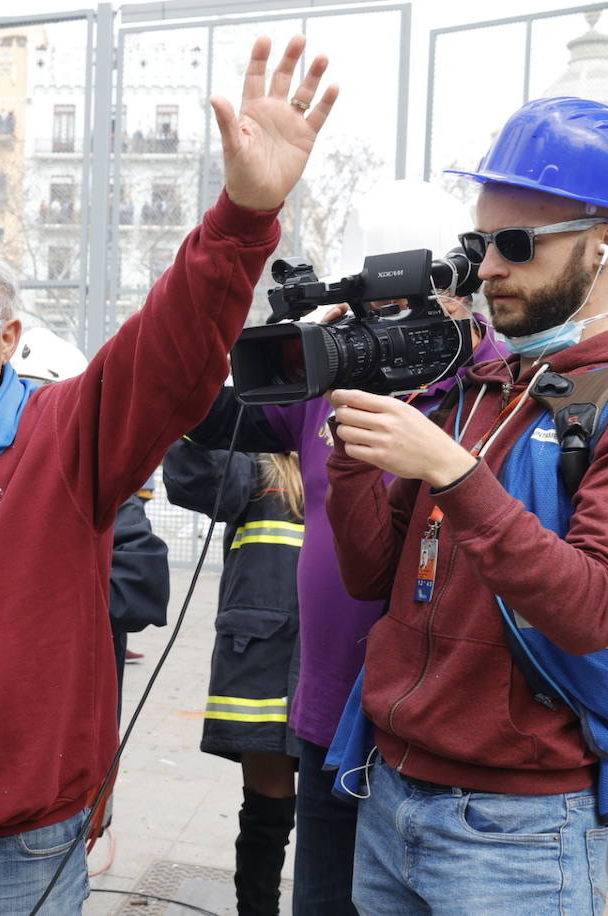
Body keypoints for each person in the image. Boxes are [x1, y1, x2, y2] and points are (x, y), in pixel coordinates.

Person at [0, 35, 338, 913]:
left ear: (8, 339)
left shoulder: (65, 437)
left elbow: (167, 355)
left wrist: (240, 219)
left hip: (22, 857)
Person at [181, 177, 504, 914]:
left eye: (402, 306)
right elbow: (200, 409)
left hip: (441, 748)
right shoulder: (330, 384)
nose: (380, 327)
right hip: (327, 730)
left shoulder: (502, 388)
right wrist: (283, 327)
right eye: (365, 306)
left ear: (459, 290)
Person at [325, 96, 608, 912]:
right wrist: (353, 458)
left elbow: (591, 610)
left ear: (601, 245)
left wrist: (455, 475)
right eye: (478, 244)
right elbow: (369, 574)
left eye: (517, 245)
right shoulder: (482, 386)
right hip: (392, 791)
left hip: (523, 828)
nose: (487, 269)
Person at [163, 443, 302, 916]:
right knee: (268, 814)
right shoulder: (261, 462)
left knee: (338, 814)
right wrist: (202, 410)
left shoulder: (362, 449)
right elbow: (194, 479)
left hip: (335, 661)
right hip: (263, 664)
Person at [9, 326, 170, 688]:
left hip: (65, 702)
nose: (29, 413)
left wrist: (25, 599)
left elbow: (142, 586)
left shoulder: (102, 489)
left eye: (44, 398)